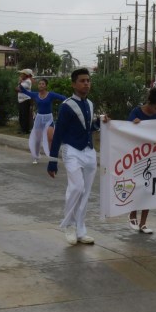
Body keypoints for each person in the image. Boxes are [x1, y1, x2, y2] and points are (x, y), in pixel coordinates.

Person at [47, 68, 101, 245]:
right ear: (73, 84)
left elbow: (87, 128)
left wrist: (99, 123)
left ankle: (80, 229)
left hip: (89, 152)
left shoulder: (90, 104)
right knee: (77, 187)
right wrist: (53, 161)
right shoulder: (67, 105)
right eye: (82, 81)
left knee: (85, 193)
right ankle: (69, 225)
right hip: (72, 151)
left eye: (88, 80)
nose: (86, 83)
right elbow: (59, 133)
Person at [126, 87, 156, 234]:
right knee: (137, 186)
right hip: (136, 155)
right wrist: (133, 125)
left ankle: (143, 223)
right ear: (149, 102)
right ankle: (132, 215)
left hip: (152, 155)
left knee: (149, 188)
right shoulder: (136, 112)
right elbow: (124, 131)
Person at [23, 77, 67, 164]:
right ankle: (36, 156)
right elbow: (26, 92)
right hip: (39, 119)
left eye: (43, 84)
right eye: (39, 84)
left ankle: (52, 158)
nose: (41, 85)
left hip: (48, 119)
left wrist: (65, 107)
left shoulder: (50, 95)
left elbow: (64, 98)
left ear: (46, 86)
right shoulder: (35, 95)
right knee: (37, 139)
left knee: (50, 138)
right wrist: (20, 85)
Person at [17, 69, 33, 134]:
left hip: (25, 100)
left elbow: (20, 88)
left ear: (26, 75)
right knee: (21, 115)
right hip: (21, 100)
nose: (20, 75)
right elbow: (17, 89)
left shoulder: (28, 81)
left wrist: (20, 83)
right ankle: (22, 129)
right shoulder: (23, 81)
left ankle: (25, 130)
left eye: (22, 74)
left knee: (25, 115)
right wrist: (19, 85)